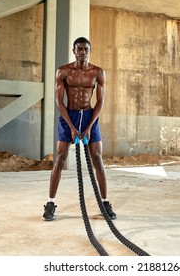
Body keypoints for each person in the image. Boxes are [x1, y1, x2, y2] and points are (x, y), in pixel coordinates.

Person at [43, 37, 116, 221]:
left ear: (89, 51)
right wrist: (72, 127)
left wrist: (90, 126)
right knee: (59, 159)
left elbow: (100, 101)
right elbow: (59, 101)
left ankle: (105, 203)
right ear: (74, 50)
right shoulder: (64, 71)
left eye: (86, 49)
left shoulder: (98, 72)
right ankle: (50, 203)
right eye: (79, 49)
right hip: (70, 116)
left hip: (90, 116)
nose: (82, 52)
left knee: (98, 159)